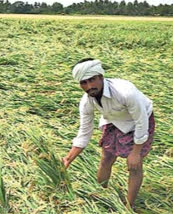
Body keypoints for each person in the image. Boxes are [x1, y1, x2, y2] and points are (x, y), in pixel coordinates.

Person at [62, 58, 155, 210]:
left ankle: (128, 207)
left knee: (134, 165)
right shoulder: (87, 102)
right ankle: (101, 194)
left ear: (101, 77)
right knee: (106, 158)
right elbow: (84, 132)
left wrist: (136, 152)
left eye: (92, 80)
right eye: (83, 83)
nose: (89, 86)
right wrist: (68, 159)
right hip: (113, 121)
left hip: (140, 121)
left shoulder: (125, 92)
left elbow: (141, 121)